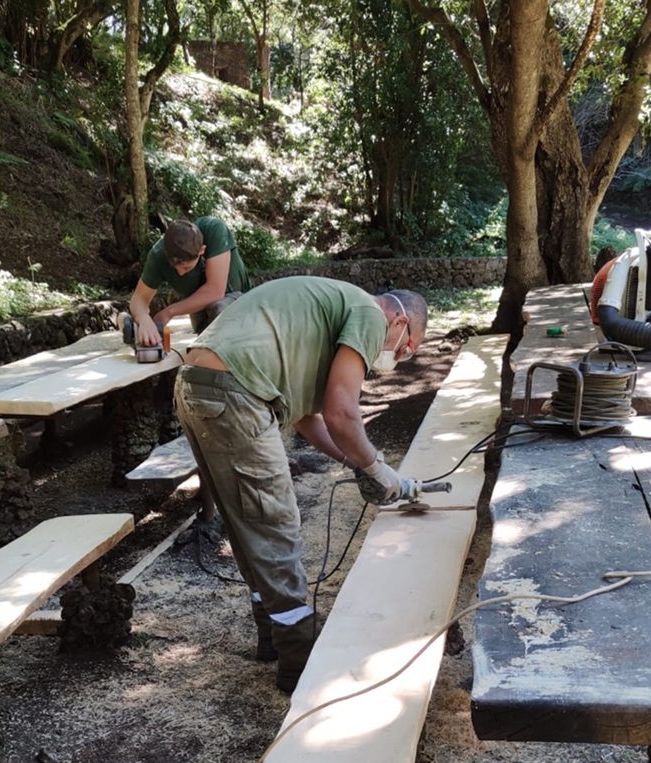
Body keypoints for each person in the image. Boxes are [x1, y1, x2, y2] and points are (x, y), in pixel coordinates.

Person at [172, 275, 428, 693]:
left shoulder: (321, 318)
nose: (401, 354)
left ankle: (272, 637)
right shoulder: (368, 312)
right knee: (274, 521)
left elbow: (309, 418)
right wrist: (379, 469)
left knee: (246, 521)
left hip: (197, 384)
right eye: (407, 345)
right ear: (399, 320)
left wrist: (355, 463)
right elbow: (342, 413)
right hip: (237, 391)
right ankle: (300, 659)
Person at [128, 216, 251, 348]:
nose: (180, 272)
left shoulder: (214, 230)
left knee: (218, 307)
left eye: (186, 267)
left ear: (201, 251)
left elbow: (215, 292)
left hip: (241, 304)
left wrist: (168, 312)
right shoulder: (158, 255)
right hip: (202, 316)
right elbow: (139, 298)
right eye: (175, 268)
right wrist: (143, 319)